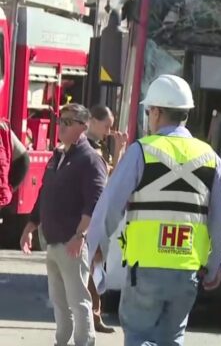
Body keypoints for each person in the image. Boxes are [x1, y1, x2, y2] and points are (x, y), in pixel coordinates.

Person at [86, 74, 221, 346]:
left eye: (148, 110)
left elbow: (110, 205)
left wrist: (96, 249)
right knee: (172, 339)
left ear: (157, 112)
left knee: (139, 337)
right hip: (186, 269)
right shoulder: (211, 157)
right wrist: (218, 266)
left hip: (145, 269)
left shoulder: (141, 151)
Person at [20, 103, 107, 346]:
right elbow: (44, 193)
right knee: (58, 300)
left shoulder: (90, 159)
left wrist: (81, 235)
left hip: (73, 241)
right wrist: (31, 225)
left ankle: (84, 341)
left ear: (83, 126)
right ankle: (62, 340)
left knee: (78, 299)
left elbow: (96, 201)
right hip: (53, 241)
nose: (61, 126)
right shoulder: (57, 156)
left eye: (68, 122)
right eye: (60, 120)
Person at [84, 104, 127, 334]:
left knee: (97, 264)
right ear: (92, 120)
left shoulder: (99, 147)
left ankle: (95, 314)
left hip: (100, 214)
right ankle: (89, 315)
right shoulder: (84, 146)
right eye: (106, 125)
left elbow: (113, 177)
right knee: (91, 264)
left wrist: (119, 149)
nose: (109, 130)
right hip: (88, 214)